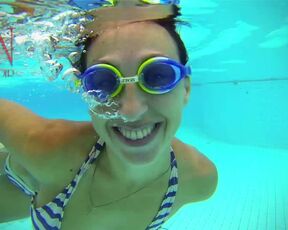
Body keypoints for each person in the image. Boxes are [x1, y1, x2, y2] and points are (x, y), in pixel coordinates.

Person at [0, 4, 218, 230]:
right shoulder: (47, 148)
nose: (131, 110)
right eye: (103, 81)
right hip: (20, 179)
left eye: (158, 75)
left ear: (186, 87)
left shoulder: (199, 180)